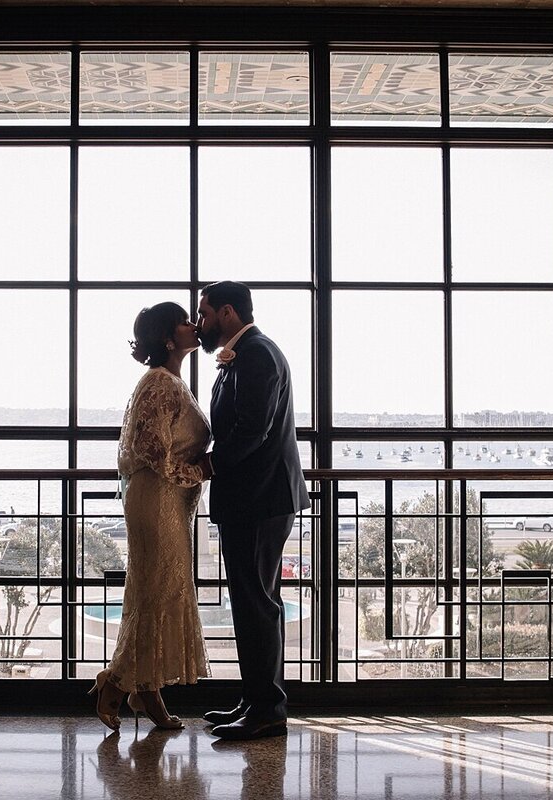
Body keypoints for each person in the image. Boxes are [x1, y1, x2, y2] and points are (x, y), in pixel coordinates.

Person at [194, 281, 310, 741]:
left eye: (204, 314)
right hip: (255, 498)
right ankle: (256, 698)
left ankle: (267, 710)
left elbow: (252, 430)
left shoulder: (258, 353)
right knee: (253, 602)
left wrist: (208, 464)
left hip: (259, 500)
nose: (200, 323)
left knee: (256, 603)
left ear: (226, 312)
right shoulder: (247, 352)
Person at [89, 302, 212, 731]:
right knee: (154, 594)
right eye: (184, 320)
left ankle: (145, 690)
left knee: (157, 592)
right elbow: (152, 451)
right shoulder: (159, 382)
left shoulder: (172, 381)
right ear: (167, 337)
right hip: (157, 499)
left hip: (169, 500)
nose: (193, 325)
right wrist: (202, 470)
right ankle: (117, 685)